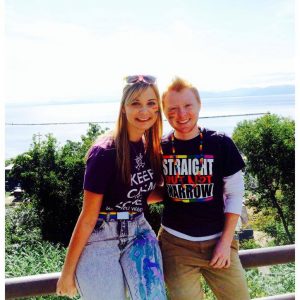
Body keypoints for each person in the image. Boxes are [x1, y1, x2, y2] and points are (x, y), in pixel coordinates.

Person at [56, 75, 167, 300]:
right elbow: (88, 216)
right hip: (101, 238)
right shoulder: (105, 153)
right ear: (123, 108)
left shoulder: (152, 148)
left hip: (139, 231)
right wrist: (67, 274)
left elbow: (142, 195)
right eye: (135, 103)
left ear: (157, 109)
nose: (144, 110)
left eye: (151, 103)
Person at [158, 77, 250, 300]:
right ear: (164, 111)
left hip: (219, 240)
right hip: (175, 245)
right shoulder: (161, 147)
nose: (181, 114)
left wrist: (225, 243)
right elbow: (156, 189)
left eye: (188, 106)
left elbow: (235, 194)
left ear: (199, 105)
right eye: (173, 108)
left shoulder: (220, 143)